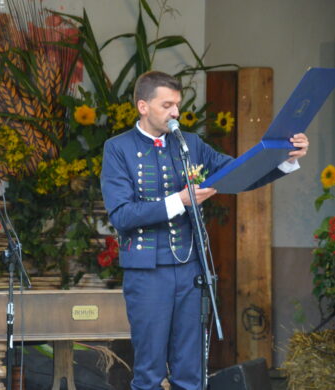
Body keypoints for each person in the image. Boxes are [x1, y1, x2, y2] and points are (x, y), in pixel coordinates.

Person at [100, 71, 309, 390]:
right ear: (143, 106)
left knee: (191, 370)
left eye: (177, 105)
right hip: (146, 272)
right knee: (149, 371)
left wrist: (285, 159)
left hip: (190, 268)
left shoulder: (190, 144)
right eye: (166, 104)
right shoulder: (119, 148)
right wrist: (180, 200)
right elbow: (123, 215)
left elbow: (239, 174)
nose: (175, 113)